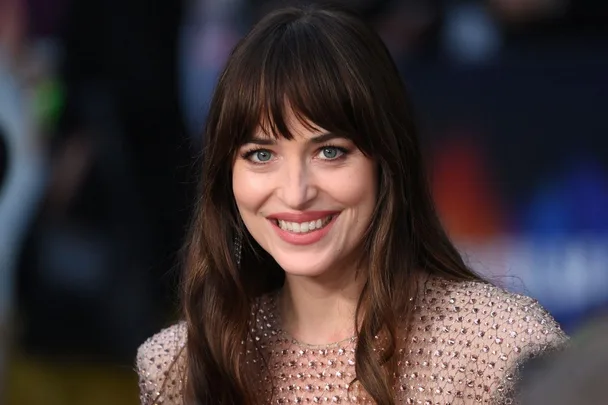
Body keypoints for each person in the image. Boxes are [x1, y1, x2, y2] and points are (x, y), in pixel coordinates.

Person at [136, 4, 568, 404]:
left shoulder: (499, 345)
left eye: (330, 152)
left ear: (386, 160)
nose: (296, 193)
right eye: (261, 155)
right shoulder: (178, 367)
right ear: (225, 175)